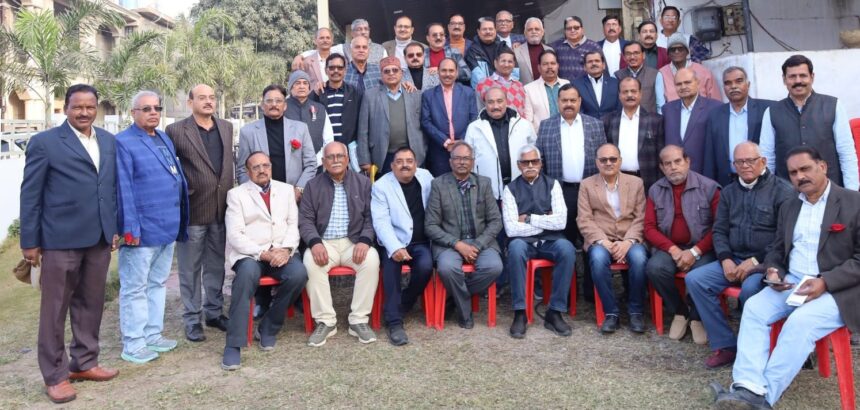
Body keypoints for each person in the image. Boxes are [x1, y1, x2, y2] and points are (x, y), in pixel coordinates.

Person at [712, 147, 860, 409]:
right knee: (754, 307)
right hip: (793, 281)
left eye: (805, 169)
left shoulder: (853, 202)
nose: (800, 176)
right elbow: (778, 249)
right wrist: (774, 271)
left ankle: (763, 398)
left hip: (838, 289)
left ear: (822, 166)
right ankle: (747, 386)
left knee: (800, 322)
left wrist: (825, 282)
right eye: (793, 172)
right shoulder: (790, 205)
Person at [20, 84, 119, 403]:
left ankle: (85, 362)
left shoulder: (108, 140)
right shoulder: (45, 143)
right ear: (66, 109)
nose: (84, 112)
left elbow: (109, 188)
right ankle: (55, 375)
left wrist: (113, 228)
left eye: (90, 107)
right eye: (78, 107)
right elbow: (30, 194)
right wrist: (30, 241)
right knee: (54, 309)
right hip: (59, 239)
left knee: (91, 303)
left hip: (99, 238)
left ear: (96, 108)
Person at [686, 142, 795, 369]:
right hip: (733, 258)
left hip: (765, 263)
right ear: (734, 165)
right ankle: (726, 345)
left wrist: (755, 261)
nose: (745, 166)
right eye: (739, 162)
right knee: (696, 280)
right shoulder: (728, 192)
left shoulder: (782, 191)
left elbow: (784, 237)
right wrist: (725, 258)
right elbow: (719, 230)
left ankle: (752, 348)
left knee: (750, 289)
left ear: (763, 161)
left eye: (751, 161)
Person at [116, 90, 189, 363]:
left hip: (166, 227)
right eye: (146, 109)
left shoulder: (163, 138)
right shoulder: (123, 142)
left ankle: (153, 335)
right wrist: (129, 229)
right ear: (133, 113)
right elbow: (123, 189)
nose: (153, 113)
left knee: (157, 283)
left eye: (157, 108)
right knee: (135, 288)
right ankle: (133, 343)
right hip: (141, 231)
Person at [221, 152, 307, 370]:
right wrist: (262, 253)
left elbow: (293, 225)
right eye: (256, 167)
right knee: (245, 278)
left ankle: (268, 327)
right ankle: (234, 345)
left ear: (271, 167)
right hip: (251, 254)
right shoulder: (236, 195)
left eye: (265, 165)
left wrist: (286, 249)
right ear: (247, 171)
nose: (262, 170)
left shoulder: (286, 190)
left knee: (298, 274)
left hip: (281, 251)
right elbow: (235, 235)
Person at [165, 84, 233, 342]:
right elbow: (170, 169)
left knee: (216, 265)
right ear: (190, 102)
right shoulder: (175, 131)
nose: (208, 101)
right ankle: (192, 319)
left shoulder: (226, 127)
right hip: (193, 209)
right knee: (190, 268)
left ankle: (214, 312)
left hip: (221, 208)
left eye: (212, 97)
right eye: (202, 97)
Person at [300, 142, 380, 347]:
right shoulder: (312, 186)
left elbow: (372, 217)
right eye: (330, 157)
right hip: (325, 242)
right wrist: (315, 242)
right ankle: (326, 321)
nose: (335, 160)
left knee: (371, 260)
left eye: (339, 156)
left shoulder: (363, 183)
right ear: (323, 161)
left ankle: (358, 320)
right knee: (310, 261)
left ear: (347, 159)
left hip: (354, 241)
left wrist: (365, 240)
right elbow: (305, 220)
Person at [644, 145, 720, 344]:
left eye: (677, 161)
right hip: (670, 248)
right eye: (667, 164)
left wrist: (694, 251)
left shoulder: (710, 187)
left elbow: (719, 228)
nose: (673, 167)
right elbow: (649, 228)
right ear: (662, 168)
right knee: (654, 268)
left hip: (703, 248)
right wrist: (673, 249)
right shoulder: (655, 190)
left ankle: (696, 316)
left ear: (687, 161)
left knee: (701, 274)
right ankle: (680, 310)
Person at [425, 141, 504, 328]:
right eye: (457, 158)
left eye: (466, 158)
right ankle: (465, 311)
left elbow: (496, 221)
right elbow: (430, 225)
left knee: (494, 267)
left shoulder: (484, 183)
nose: (462, 162)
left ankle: (456, 297)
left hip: (480, 242)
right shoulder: (438, 185)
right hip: (450, 244)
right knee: (447, 269)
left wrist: (477, 245)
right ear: (450, 161)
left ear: (473, 161)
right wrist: (457, 244)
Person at [503, 145, 574, 338]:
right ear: (519, 165)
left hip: (551, 241)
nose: (530, 165)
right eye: (525, 162)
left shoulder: (553, 185)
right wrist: (546, 221)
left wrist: (528, 218)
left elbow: (561, 222)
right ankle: (520, 312)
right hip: (523, 242)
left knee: (567, 249)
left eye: (534, 161)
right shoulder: (510, 189)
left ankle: (555, 311)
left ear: (541, 164)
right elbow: (511, 229)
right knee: (515, 248)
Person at [577, 143, 649, 334]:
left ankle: (636, 312)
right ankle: (611, 313)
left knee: (639, 258)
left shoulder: (636, 183)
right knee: (597, 258)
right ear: (597, 163)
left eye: (613, 159)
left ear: (620, 161)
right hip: (601, 239)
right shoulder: (586, 185)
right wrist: (603, 242)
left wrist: (628, 241)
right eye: (603, 160)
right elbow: (584, 219)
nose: (608, 163)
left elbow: (641, 217)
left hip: (630, 238)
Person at [759, 54, 859, 190]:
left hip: (830, 190)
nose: (798, 81)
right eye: (792, 76)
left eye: (803, 75)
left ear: (812, 77)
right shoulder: (772, 112)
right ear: (784, 79)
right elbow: (767, 157)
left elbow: (846, 151)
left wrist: (852, 191)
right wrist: (767, 191)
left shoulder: (833, 106)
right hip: (788, 193)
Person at [370, 148, 434, 345]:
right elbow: (381, 222)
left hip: (420, 242)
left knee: (426, 267)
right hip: (394, 241)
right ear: (392, 166)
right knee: (391, 270)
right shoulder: (381, 186)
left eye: (409, 161)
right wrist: (395, 247)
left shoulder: (426, 177)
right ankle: (394, 322)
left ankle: (403, 302)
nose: (405, 165)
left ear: (416, 164)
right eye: (399, 161)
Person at [536, 84, 607, 248]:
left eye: (573, 100)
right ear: (558, 102)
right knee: (566, 237)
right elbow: (541, 162)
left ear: (580, 101)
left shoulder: (595, 124)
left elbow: (603, 159)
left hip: (590, 189)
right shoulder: (546, 126)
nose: (568, 104)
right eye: (564, 100)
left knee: (592, 236)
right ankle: (571, 264)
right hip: (562, 190)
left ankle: (590, 265)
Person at [236, 84, 317, 195]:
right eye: (269, 101)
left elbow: (311, 164)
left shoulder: (300, 129)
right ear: (262, 105)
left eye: (278, 101)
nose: (274, 104)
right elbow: (242, 169)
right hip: (260, 196)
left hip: (293, 194)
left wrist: (299, 189)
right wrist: (253, 194)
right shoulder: (248, 132)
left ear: (285, 105)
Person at [703, 66, 775, 186]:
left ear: (748, 84)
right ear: (724, 88)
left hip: (760, 181)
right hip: (727, 183)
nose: (733, 86)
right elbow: (710, 155)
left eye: (739, 81)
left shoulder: (766, 109)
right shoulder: (715, 115)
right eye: (728, 83)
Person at [357, 56, 426, 177]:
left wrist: (423, 150)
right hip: (384, 155)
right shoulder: (370, 96)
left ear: (401, 73)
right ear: (381, 75)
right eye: (387, 71)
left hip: (412, 153)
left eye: (395, 70)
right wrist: (364, 160)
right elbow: (363, 131)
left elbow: (424, 125)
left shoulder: (415, 94)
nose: (391, 73)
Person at [465, 87, 536, 202]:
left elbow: (534, 154)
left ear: (506, 101)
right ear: (484, 103)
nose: (495, 106)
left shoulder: (524, 125)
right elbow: (468, 160)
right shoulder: (474, 128)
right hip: (487, 193)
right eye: (490, 102)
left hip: (521, 190)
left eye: (499, 101)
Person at [602, 77, 665, 191]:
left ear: (640, 94)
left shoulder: (656, 121)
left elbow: (661, 156)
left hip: (647, 181)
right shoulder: (608, 120)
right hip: (616, 180)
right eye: (625, 92)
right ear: (619, 95)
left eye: (633, 91)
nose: (629, 95)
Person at [421, 58, 479, 177]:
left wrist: (462, 140)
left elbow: (474, 118)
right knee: (441, 184)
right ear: (438, 72)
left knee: (465, 182)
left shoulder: (468, 93)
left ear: (456, 73)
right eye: (444, 70)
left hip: (464, 148)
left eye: (451, 71)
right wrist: (445, 141)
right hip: (439, 150)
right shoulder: (428, 95)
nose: (447, 74)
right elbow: (426, 121)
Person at [662, 68, 722, 174]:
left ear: (698, 83)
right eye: (679, 84)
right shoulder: (667, 109)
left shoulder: (714, 107)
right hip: (674, 174)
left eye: (687, 82)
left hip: (703, 173)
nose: (683, 87)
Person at [656, 34, 720, 112]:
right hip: (674, 116)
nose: (676, 51)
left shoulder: (703, 72)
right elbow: (660, 104)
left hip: (702, 115)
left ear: (687, 52)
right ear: (668, 54)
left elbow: (716, 101)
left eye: (680, 48)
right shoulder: (661, 74)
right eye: (673, 49)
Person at [312, 54, 363, 147]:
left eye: (340, 68)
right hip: (325, 148)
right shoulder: (319, 93)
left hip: (349, 148)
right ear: (326, 70)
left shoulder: (355, 93)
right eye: (331, 68)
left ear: (345, 70)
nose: (336, 70)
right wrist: (315, 93)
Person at [286, 70, 334, 166]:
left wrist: (315, 161)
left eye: (305, 83)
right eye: (297, 83)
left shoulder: (320, 108)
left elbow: (328, 140)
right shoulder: (282, 108)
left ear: (309, 87)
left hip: (316, 165)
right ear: (291, 87)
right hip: (289, 166)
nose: (302, 86)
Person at [523, 49, 570, 132]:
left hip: (567, 132)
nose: (549, 67)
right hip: (542, 135)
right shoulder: (529, 89)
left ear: (558, 66)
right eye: (545, 64)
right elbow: (528, 120)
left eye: (553, 63)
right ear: (539, 68)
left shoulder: (567, 84)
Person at [476, 48, 527, 118]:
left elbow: (524, 111)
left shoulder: (519, 85)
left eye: (510, 62)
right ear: (495, 63)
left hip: (518, 124)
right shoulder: (483, 84)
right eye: (503, 61)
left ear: (514, 64)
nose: (506, 65)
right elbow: (479, 111)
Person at [614, 41, 661, 114]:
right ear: (624, 57)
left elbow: (660, 104)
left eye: (636, 53)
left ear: (643, 55)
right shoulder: (617, 76)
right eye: (628, 54)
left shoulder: (655, 74)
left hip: (650, 119)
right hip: (625, 118)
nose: (632, 57)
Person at [571, 50, 621, 119]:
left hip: (612, 124)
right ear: (584, 67)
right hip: (588, 124)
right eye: (590, 62)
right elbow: (577, 109)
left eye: (597, 61)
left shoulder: (615, 83)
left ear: (603, 65)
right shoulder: (576, 85)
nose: (594, 63)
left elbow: (619, 108)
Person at [550, 16, 601, 82]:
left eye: (576, 28)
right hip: (563, 87)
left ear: (582, 30)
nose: (572, 30)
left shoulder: (593, 47)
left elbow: (602, 70)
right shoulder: (556, 46)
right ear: (565, 31)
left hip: (586, 87)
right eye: (569, 28)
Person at [465, 17, 508, 88]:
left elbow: (514, 72)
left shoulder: (504, 48)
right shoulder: (472, 52)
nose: (488, 32)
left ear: (495, 30)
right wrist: (495, 89)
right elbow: (478, 77)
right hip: (484, 91)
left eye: (491, 29)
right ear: (478, 31)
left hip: (506, 90)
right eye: (484, 29)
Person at [513, 17, 552, 85]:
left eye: (537, 29)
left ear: (542, 32)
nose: (534, 32)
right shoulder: (516, 52)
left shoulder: (550, 50)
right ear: (525, 33)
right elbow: (514, 77)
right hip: (525, 90)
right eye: (530, 29)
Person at [294, 28, 333, 92]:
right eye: (321, 38)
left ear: (332, 41)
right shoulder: (306, 62)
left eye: (328, 38)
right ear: (315, 41)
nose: (325, 40)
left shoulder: (339, 61)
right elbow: (297, 82)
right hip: (313, 97)